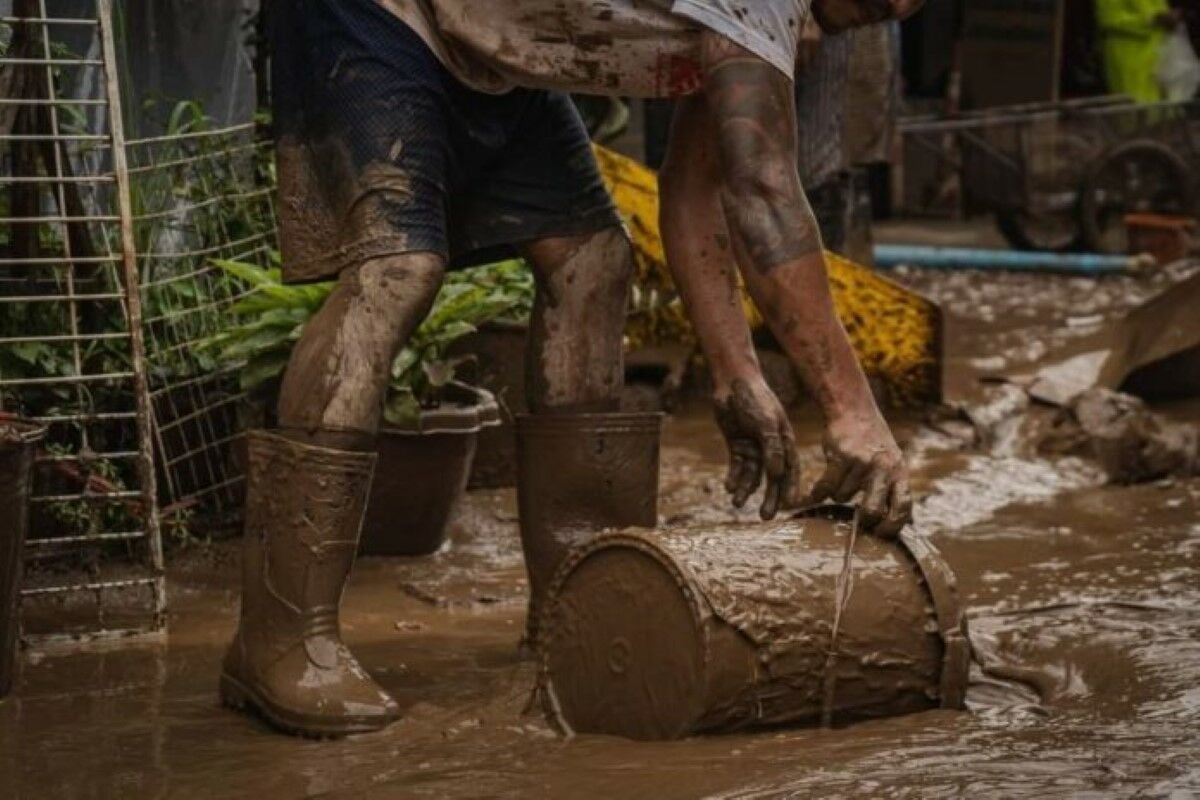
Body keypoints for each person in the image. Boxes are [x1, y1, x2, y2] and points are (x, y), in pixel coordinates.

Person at [222, 0, 924, 738]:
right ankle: (280, 637)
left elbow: (696, 185)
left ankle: (582, 608)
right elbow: (764, 190)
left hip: (489, 43)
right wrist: (852, 411)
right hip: (379, 14)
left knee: (591, 259)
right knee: (397, 268)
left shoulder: (759, 19)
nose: (894, 11)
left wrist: (735, 372)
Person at [1095, 0, 1181, 102]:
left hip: (1159, 53)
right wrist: (1152, 20)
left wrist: (1171, 18)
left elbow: (1161, 15)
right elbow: (1109, 19)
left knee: (1166, 107)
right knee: (1135, 107)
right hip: (1129, 54)